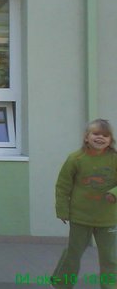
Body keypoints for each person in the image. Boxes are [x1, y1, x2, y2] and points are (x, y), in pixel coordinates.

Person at [52, 118, 117, 289]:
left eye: (105, 135)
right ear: (86, 137)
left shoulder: (114, 159)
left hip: (108, 219)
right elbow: (63, 186)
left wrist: (114, 193)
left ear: (110, 140)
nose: (100, 138)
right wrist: (62, 210)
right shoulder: (75, 159)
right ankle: (60, 284)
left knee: (110, 258)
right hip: (80, 217)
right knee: (73, 255)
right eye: (96, 134)